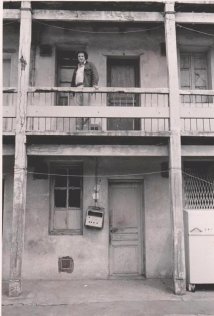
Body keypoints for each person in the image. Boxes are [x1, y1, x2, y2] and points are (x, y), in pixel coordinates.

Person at [71, 51, 99, 130]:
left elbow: (95, 74)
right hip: (77, 89)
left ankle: (86, 128)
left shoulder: (90, 65)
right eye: (79, 56)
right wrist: (72, 90)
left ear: (85, 57)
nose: (80, 58)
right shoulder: (77, 67)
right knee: (78, 109)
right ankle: (78, 128)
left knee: (86, 109)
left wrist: (95, 84)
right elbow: (73, 79)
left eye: (82, 56)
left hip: (86, 88)